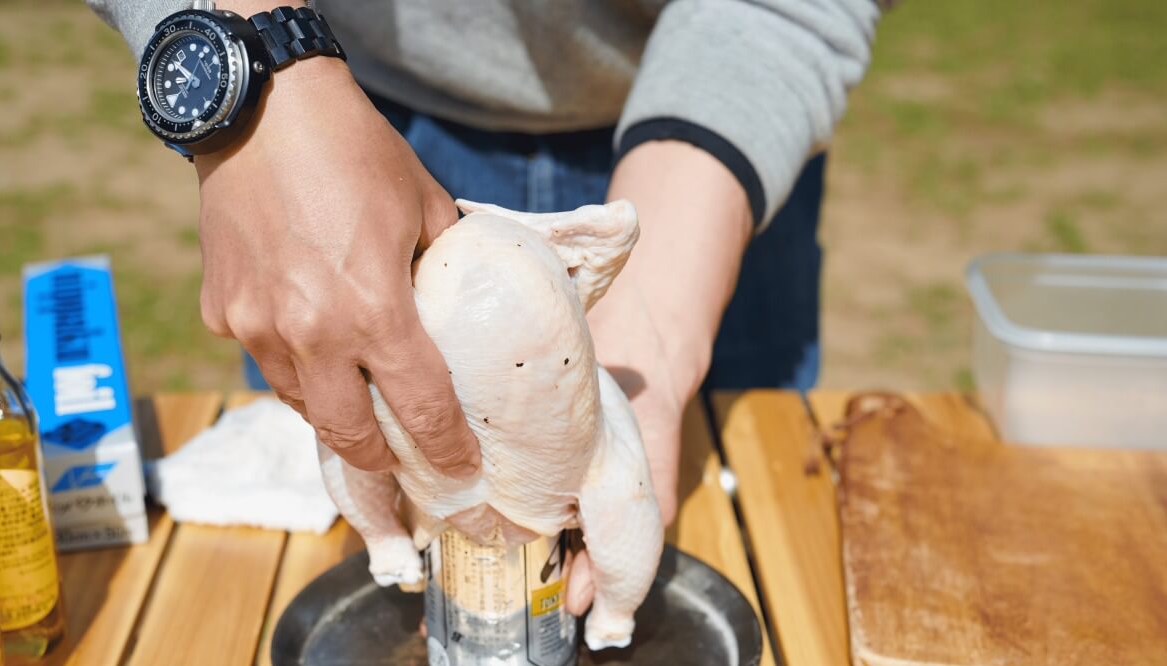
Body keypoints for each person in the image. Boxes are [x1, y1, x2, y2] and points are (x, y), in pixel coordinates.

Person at [87, 0, 879, 525]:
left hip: (717, 130)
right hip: (341, 120)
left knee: (738, 524)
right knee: (368, 484)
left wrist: (655, 334)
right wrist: (257, 69)